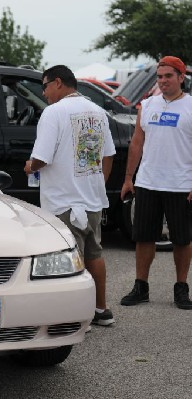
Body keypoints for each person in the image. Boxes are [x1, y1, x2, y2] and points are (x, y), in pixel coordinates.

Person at [24, 65, 116, 327]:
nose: (43, 93)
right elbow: (108, 154)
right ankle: (101, 309)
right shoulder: (98, 112)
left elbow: (41, 158)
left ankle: (77, 318)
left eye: (44, 86)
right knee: (94, 253)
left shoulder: (53, 112)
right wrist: (99, 183)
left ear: (57, 83)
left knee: (68, 259)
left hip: (63, 199)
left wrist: (29, 166)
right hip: (91, 199)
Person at [120, 56, 192, 310]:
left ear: (181, 78)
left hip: (180, 184)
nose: (162, 81)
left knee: (182, 239)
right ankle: (141, 287)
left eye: (168, 76)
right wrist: (129, 178)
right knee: (143, 237)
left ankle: (181, 288)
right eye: (159, 77)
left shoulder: (190, 107)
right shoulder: (148, 105)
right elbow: (137, 143)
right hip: (148, 182)